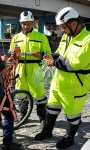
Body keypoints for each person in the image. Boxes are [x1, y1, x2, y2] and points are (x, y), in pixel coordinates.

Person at [34, 7, 90, 149]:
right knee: (51, 108)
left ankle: (69, 138)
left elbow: (76, 64)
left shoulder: (88, 40)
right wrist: (49, 56)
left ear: (72, 24)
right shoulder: (67, 36)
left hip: (75, 86)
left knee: (72, 115)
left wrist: (54, 62)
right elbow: (60, 52)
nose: (62, 30)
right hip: (58, 82)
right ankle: (47, 131)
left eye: (63, 27)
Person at [9, 11, 51, 125]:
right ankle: (24, 115)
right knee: (21, 93)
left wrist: (41, 53)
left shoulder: (41, 37)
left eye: (28, 23)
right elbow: (11, 54)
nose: (26, 26)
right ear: (20, 23)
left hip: (36, 69)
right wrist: (12, 55)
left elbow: (48, 53)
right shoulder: (16, 38)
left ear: (33, 23)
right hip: (20, 68)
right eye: (23, 23)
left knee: (39, 94)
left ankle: (42, 117)